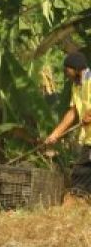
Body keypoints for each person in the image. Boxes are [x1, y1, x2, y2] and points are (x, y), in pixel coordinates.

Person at [44, 51, 91, 197]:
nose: (66, 73)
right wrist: (55, 134)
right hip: (88, 138)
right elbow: (73, 112)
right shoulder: (76, 85)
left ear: (76, 68)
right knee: (82, 174)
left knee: (80, 173)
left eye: (67, 70)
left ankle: (77, 203)